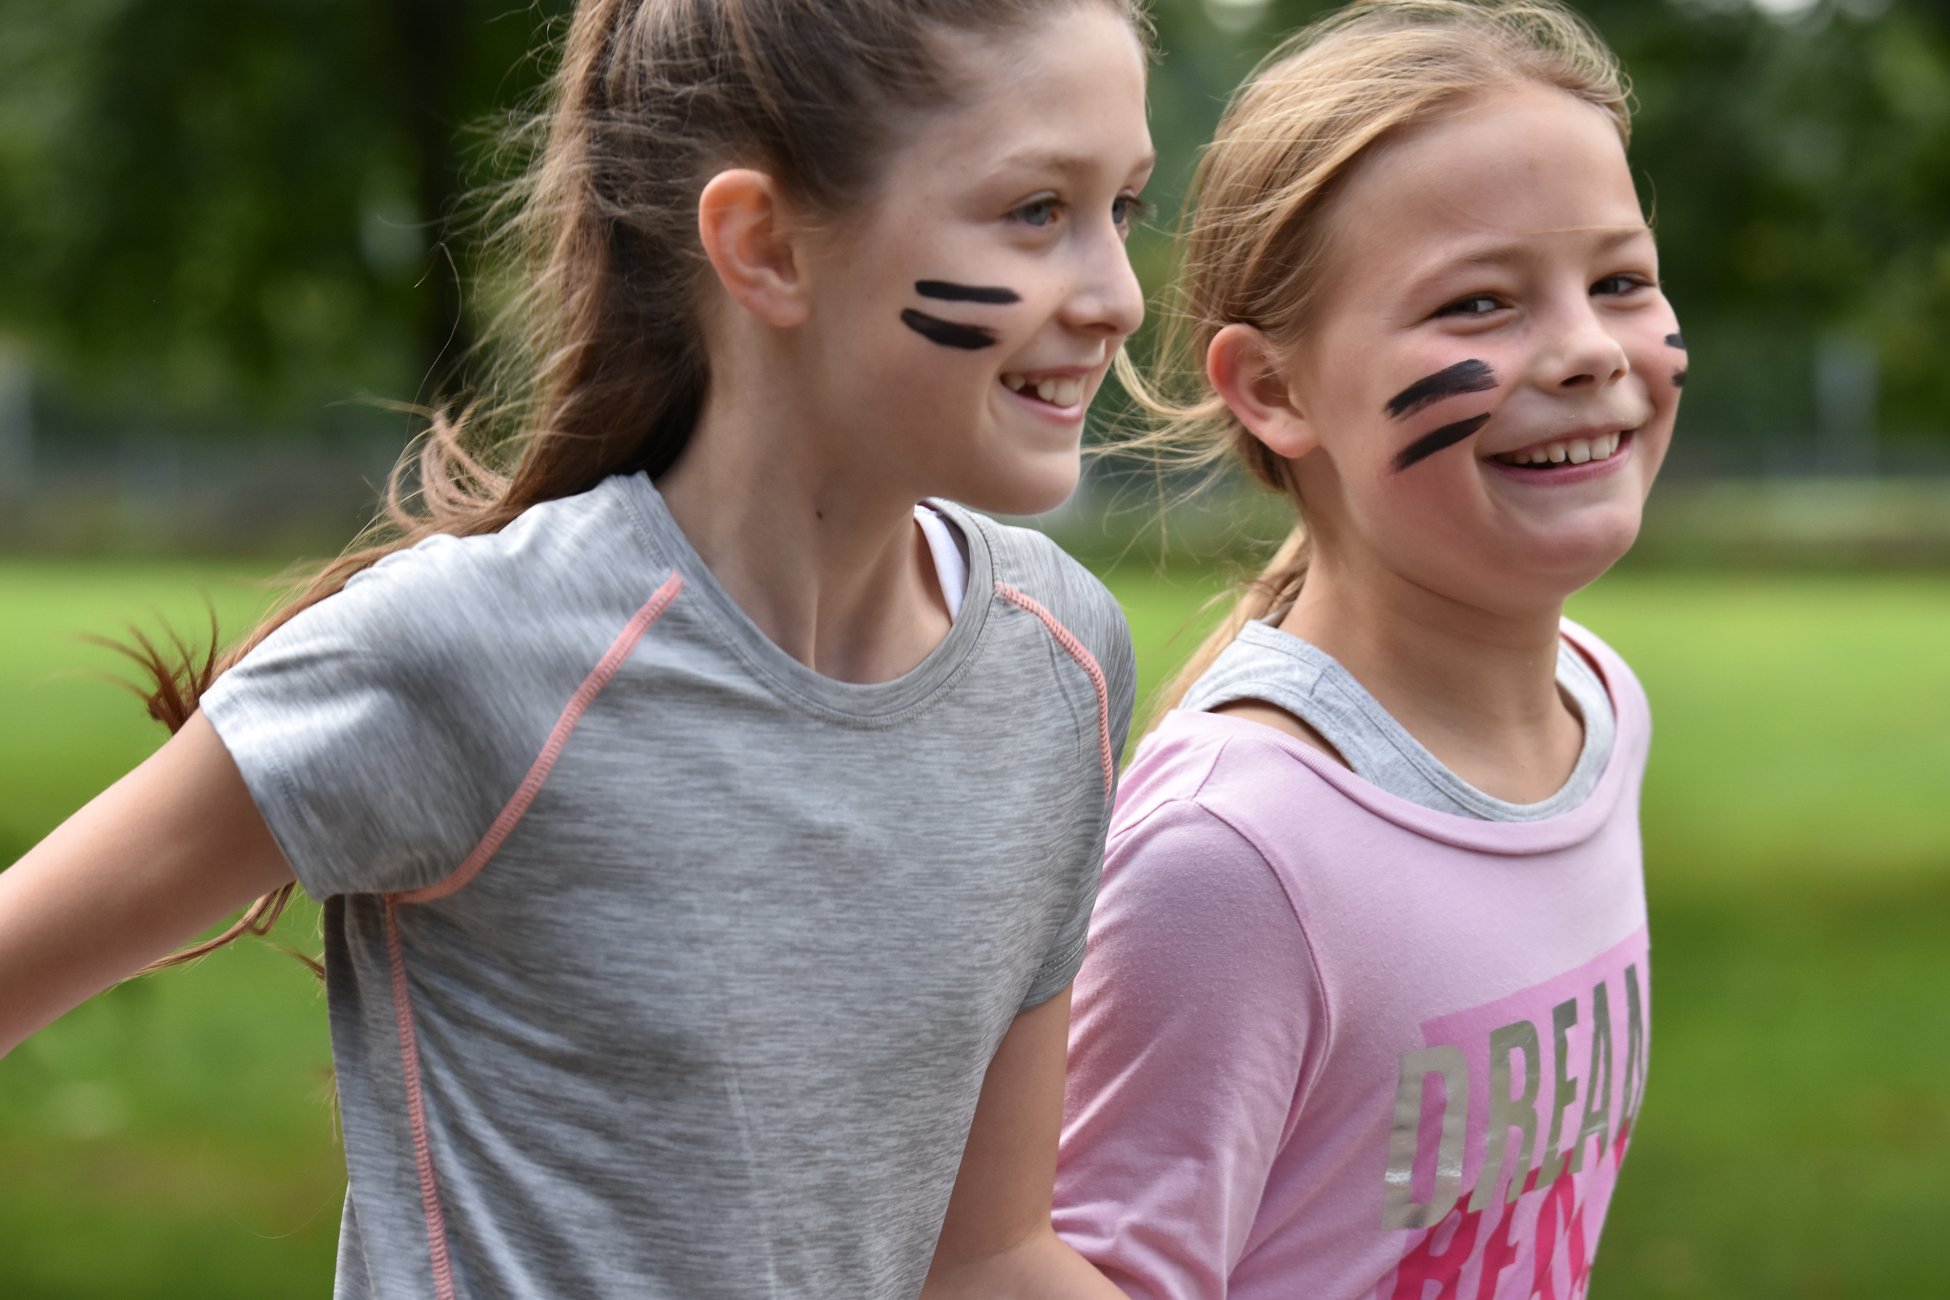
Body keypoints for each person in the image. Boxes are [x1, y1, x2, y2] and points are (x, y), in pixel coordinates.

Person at [0, 1, 1157, 1295]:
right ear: (765, 247)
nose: (1119, 297)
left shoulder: (1059, 663)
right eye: (1037, 212)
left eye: (1125, 207)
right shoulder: (472, 656)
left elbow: (988, 1258)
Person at [1053, 2, 1683, 1296]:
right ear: (1273, 389)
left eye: (1620, 281)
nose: (1584, 349)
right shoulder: (1231, 857)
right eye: (1477, 302)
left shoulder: (1600, 705)